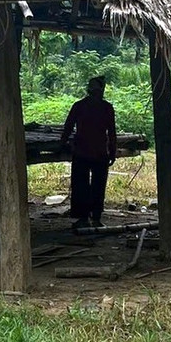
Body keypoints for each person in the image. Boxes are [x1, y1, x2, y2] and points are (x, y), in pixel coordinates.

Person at [61, 76, 118, 229]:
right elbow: (112, 132)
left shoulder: (79, 106)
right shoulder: (106, 108)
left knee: (81, 185)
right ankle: (96, 217)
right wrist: (112, 151)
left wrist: (63, 143)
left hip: (82, 151)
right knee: (98, 185)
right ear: (101, 90)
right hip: (99, 152)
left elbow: (68, 127)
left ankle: (83, 218)